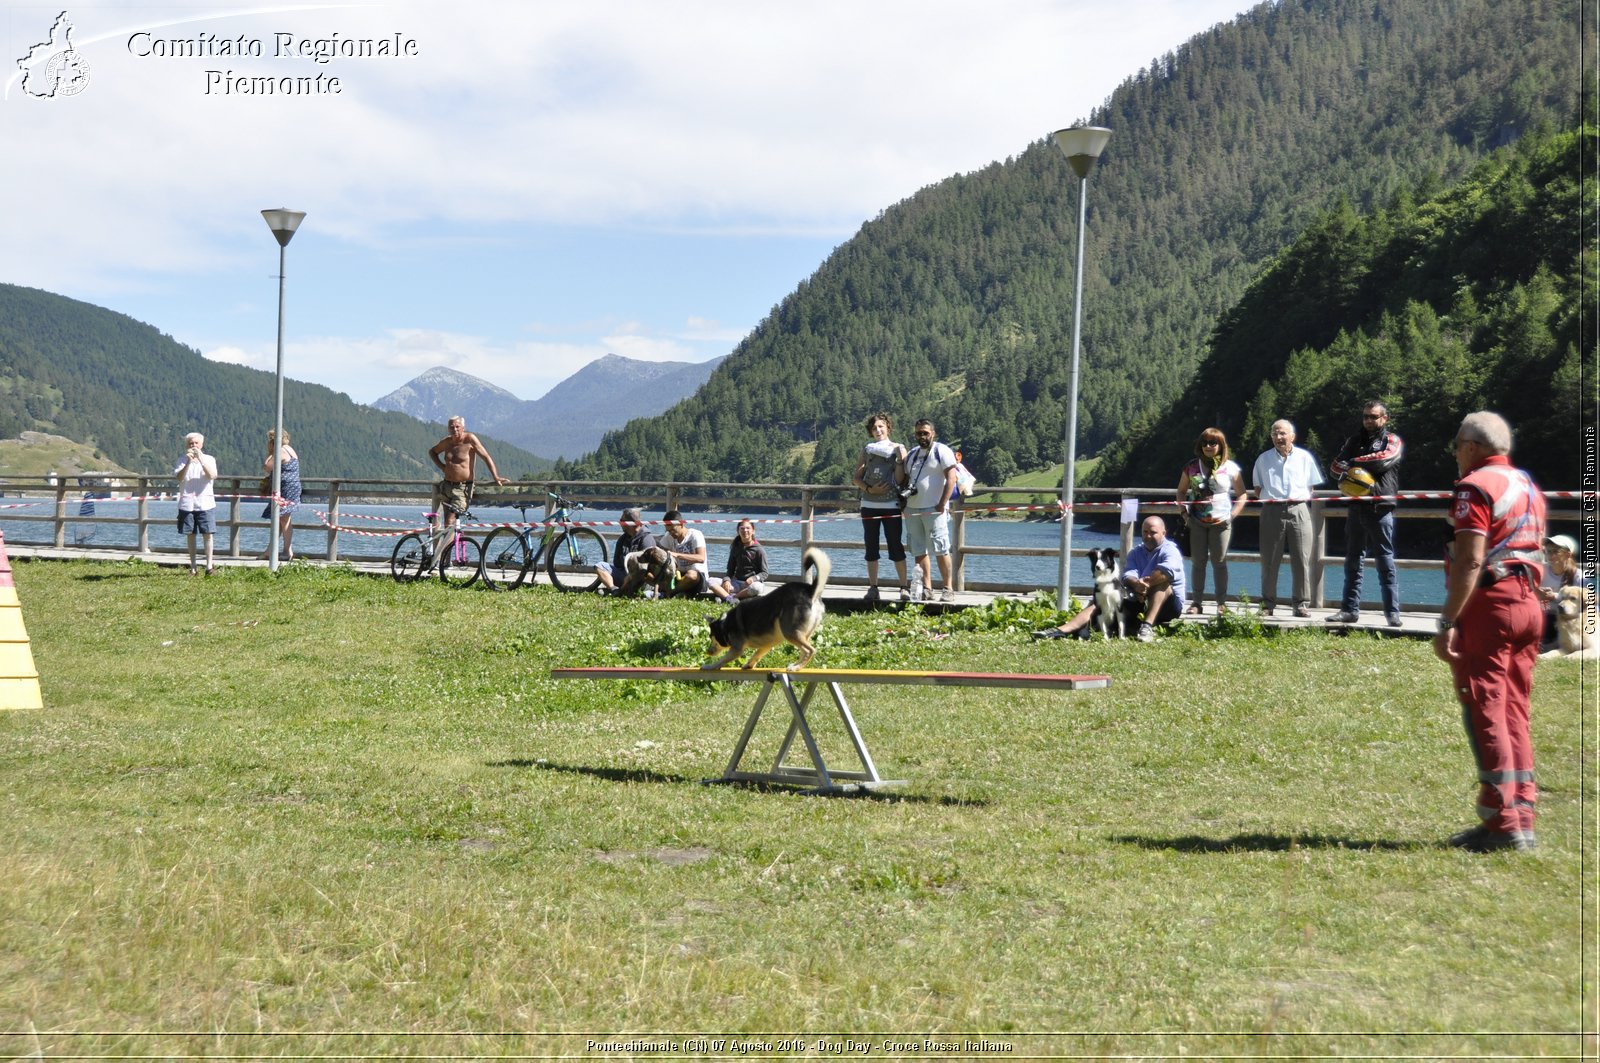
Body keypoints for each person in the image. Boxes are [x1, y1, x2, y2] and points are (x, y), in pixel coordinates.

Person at [1433, 411, 1547, 853]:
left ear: (1472, 447)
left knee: (1486, 707)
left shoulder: (1475, 486)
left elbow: (1470, 560)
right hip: (1530, 603)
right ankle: (1523, 814)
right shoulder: (1528, 486)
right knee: (1515, 709)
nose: (1456, 453)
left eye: (1458, 444)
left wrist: (1447, 622)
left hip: (1493, 605)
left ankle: (1502, 824)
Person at [1035, 515, 1187, 643]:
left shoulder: (1170, 550)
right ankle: (1060, 630)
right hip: (1140, 599)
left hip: (1168, 606)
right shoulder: (1136, 552)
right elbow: (1128, 576)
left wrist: (1145, 585)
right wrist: (1136, 584)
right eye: (1145, 531)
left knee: (1162, 583)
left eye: (1153, 532)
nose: (1147, 536)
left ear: (1164, 533)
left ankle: (1146, 628)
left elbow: (1165, 573)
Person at [1327, 401, 1405, 626]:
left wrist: (1351, 463)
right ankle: (1349, 610)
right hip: (1355, 506)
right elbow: (1334, 468)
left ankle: (1392, 613)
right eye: (1366, 417)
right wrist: (1349, 465)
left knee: (1385, 561)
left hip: (1380, 508)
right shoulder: (1354, 440)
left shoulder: (1392, 440)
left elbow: (1384, 460)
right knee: (1353, 560)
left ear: (1385, 418)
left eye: (1374, 417)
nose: (1369, 421)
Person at [1251, 419, 1324, 618]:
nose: (1278, 437)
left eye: (1282, 433)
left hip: (1299, 509)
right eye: (1274, 433)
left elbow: (1311, 487)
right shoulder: (1263, 459)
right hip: (1271, 510)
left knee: (1302, 559)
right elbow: (1258, 489)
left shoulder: (1304, 457)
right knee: (1269, 560)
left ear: (1292, 436)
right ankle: (1267, 604)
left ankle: (1300, 604)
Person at [1175, 427, 1247, 614]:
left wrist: (1233, 515)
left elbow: (1242, 494)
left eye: (1213, 443)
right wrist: (1184, 513)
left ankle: (1221, 603)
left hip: (1222, 522)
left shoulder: (1231, 467)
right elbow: (1181, 491)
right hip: (1196, 521)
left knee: (1220, 562)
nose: (1208, 446)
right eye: (1204, 443)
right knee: (1198, 562)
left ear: (1221, 446)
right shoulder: (1191, 466)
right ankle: (1196, 603)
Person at [852, 412, 910, 602]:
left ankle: (904, 587)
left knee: (895, 545)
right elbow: (856, 478)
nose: (878, 430)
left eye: (881, 427)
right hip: (868, 505)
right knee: (871, 547)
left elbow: (901, 479)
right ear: (870, 431)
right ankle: (873, 587)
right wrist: (870, 489)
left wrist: (900, 460)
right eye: (874, 428)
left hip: (891, 504)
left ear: (888, 428)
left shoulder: (899, 448)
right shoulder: (867, 450)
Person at [902, 418, 960, 603]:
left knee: (941, 549)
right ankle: (927, 588)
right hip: (912, 508)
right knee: (918, 550)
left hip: (934, 509)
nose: (922, 436)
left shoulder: (941, 450)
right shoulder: (912, 454)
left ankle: (948, 588)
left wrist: (942, 504)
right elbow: (904, 478)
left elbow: (951, 478)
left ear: (933, 433)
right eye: (919, 433)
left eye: (925, 433)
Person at [427, 415, 507, 537]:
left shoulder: (470, 439)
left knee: (450, 521)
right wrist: (443, 467)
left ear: (463, 427)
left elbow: (486, 457)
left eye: (457, 426)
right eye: (451, 427)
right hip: (447, 486)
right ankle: (446, 555)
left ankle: (447, 554)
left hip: (462, 488)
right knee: (447, 525)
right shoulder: (447, 442)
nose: (455, 429)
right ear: (448, 429)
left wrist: (495, 476)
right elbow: (432, 452)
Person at [174, 431, 218, 576]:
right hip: (187, 504)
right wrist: (187, 462)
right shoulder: (181, 459)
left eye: (196, 443)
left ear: (201, 444)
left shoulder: (209, 459)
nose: (193, 446)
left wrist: (200, 460)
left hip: (205, 503)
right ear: (187, 445)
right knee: (190, 535)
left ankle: (209, 566)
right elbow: (179, 478)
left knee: (208, 534)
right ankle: (193, 568)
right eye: (190, 443)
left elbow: (212, 475)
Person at [1537, 534, 1587, 652]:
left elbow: (1589, 603)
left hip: (1570, 619)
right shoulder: (1540, 571)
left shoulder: (1579, 576)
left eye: (1556, 551)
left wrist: (1553, 596)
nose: (1551, 555)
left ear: (1568, 554)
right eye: (1548, 551)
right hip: (1545, 615)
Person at [259, 428, 302, 562]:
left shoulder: (281, 450)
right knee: (279, 519)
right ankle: (270, 550)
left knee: (284, 519)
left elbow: (267, 466)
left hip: (286, 488)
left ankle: (287, 550)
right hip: (288, 487)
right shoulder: (289, 448)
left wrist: (270, 452)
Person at [595, 508, 657, 595]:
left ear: (632, 523)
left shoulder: (647, 539)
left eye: (622, 521)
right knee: (600, 566)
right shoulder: (622, 539)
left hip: (641, 578)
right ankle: (614, 589)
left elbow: (648, 567)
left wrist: (631, 573)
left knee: (635, 575)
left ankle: (623, 591)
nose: (620, 523)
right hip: (624, 574)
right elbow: (616, 562)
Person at [713, 519, 769, 602]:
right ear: (738, 531)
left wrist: (753, 578)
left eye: (748, 528)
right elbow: (730, 570)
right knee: (710, 581)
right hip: (736, 583)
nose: (745, 530)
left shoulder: (759, 550)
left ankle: (731, 597)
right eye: (742, 528)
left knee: (757, 588)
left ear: (753, 531)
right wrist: (727, 580)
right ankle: (730, 597)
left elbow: (764, 573)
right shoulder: (735, 547)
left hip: (750, 584)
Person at [659, 510, 709, 597]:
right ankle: (675, 592)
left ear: (681, 524)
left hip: (697, 577)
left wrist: (677, 555)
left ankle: (671, 593)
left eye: (673, 530)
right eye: (668, 531)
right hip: (678, 575)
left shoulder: (695, 535)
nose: (671, 533)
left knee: (691, 575)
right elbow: (660, 550)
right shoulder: (668, 536)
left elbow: (701, 558)